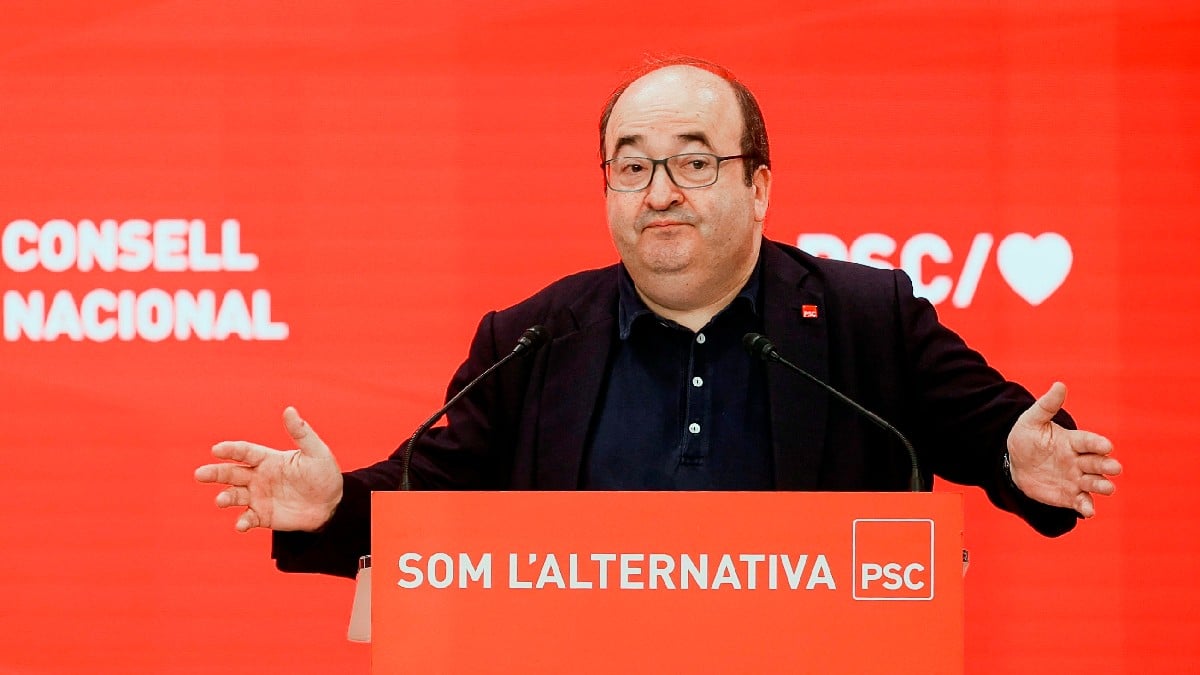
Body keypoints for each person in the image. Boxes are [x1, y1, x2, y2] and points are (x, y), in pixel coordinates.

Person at [195, 57, 1121, 580]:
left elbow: (998, 432)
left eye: (694, 162)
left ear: (759, 187)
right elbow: (426, 500)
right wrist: (331, 506)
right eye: (631, 166)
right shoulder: (532, 335)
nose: (660, 192)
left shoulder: (864, 317)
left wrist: (1018, 456)